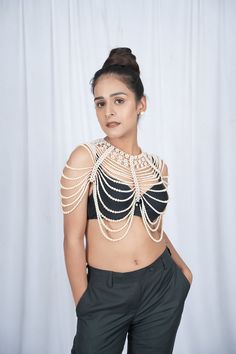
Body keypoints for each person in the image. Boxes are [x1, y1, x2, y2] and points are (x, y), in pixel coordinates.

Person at [60, 47, 193, 354]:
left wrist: (183, 272)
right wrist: (86, 305)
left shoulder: (157, 166)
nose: (109, 112)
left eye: (119, 100)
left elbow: (153, 227)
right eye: (100, 103)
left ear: (140, 104)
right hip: (106, 294)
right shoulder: (86, 158)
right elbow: (71, 238)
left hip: (161, 287)